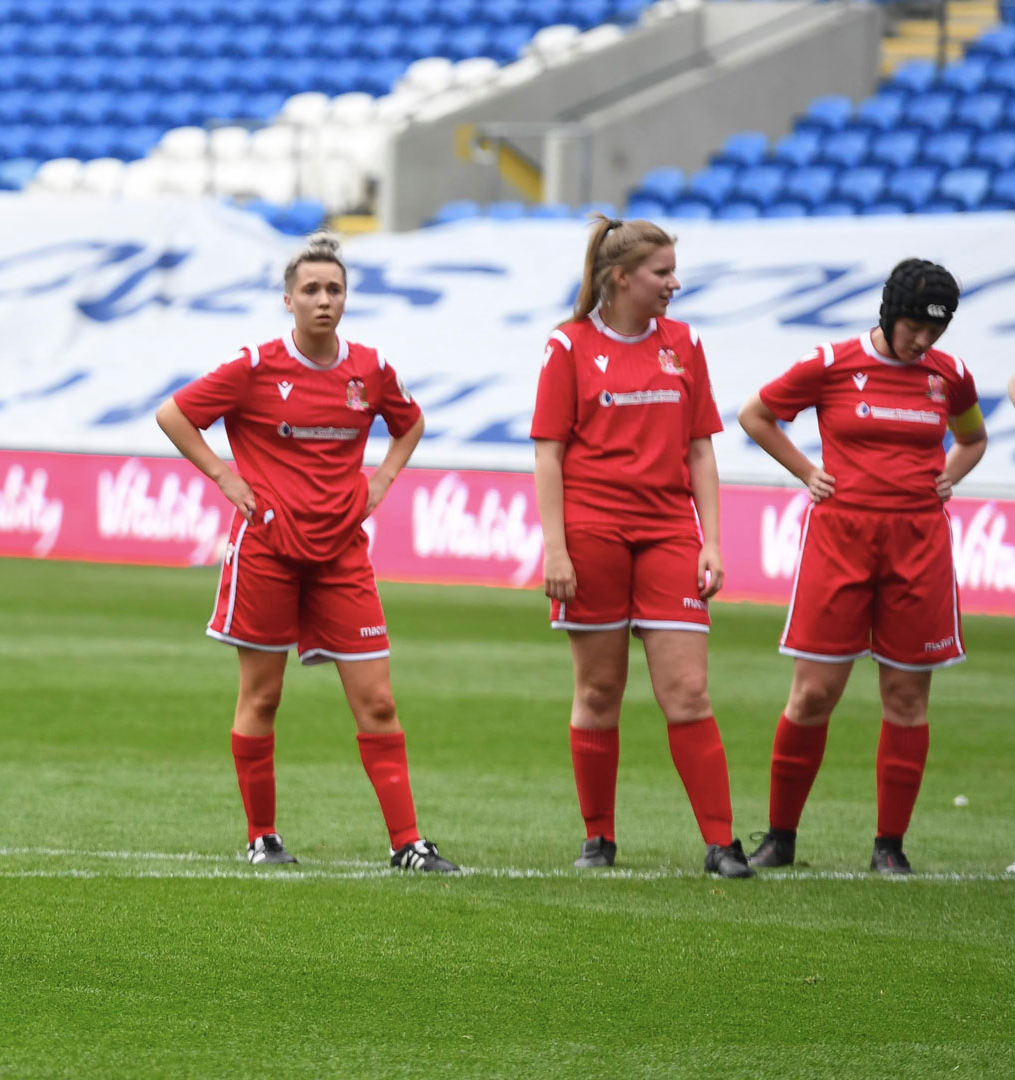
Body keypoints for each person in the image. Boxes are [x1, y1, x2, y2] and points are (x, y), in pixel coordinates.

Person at [155, 235, 457, 873]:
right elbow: (174, 414)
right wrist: (224, 477)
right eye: (311, 290)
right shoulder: (255, 366)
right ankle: (262, 836)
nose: (324, 300)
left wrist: (381, 482)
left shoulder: (369, 370)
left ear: (346, 297)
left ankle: (408, 844)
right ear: (288, 299)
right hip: (267, 550)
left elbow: (410, 423)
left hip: (342, 555)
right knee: (262, 698)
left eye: (335, 289)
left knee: (377, 702)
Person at [736, 259, 987, 875]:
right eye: (914, 325)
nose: (924, 340)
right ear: (889, 312)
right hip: (840, 541)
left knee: (906, 696)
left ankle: (889, 846)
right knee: (814, 693)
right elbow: (755, 414)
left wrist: (946, 478)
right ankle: (780, 837)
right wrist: (806, 472)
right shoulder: (831, 363)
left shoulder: (948, 376)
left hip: (918, 546)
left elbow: (973, 438)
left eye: (937, 328)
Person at [531, 216, 751, 877]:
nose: (673, 284)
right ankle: (598, 837)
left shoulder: (683, 344)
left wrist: (712, 539)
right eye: (662, 273)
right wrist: (556, 548)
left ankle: (721, 842)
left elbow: (700, 448)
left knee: (687, 690)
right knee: (599, 691)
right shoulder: (567, 346)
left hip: (667, 533)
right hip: (592, 533)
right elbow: (549, 453)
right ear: (621, 278)